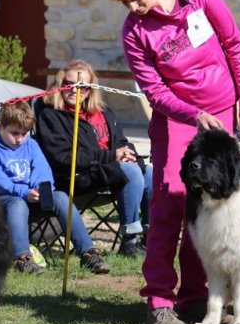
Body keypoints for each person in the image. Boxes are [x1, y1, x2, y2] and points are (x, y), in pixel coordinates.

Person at [105, 0, 240, 324]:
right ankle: (159, 300)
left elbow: (235, 44)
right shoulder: (134, 32)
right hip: (177, 121)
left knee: (210, 206)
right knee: (170, 206)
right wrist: (192, 114)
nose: (134, 7)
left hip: (222, 113)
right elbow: (155, 92)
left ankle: (196, 296)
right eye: (125, 2)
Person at [35, 59, 153, 258]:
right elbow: (62, 157)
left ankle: (151, 237)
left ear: (91, 90)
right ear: (60, 85)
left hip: (108, 171)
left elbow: (122, 142)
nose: (75, 91)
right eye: (69, 85)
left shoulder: (105, 112)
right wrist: (111, 156)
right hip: (78, 175)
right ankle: (130, 241)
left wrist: (130, 155)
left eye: (82, 87)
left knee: (149, 172)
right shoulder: (52, 115)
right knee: (130, 171)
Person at [0, 101, 110, 275]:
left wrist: (42, 188)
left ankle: (88, 253)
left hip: (31, 197)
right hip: (3, 202)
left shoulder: (30, 144)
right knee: (17, 203)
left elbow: (42, 169)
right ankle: (22, 259)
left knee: (61, 197)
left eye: (24, 134)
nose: (20, 139)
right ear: (0, 126)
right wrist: (23, 192)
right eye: (15, 133)